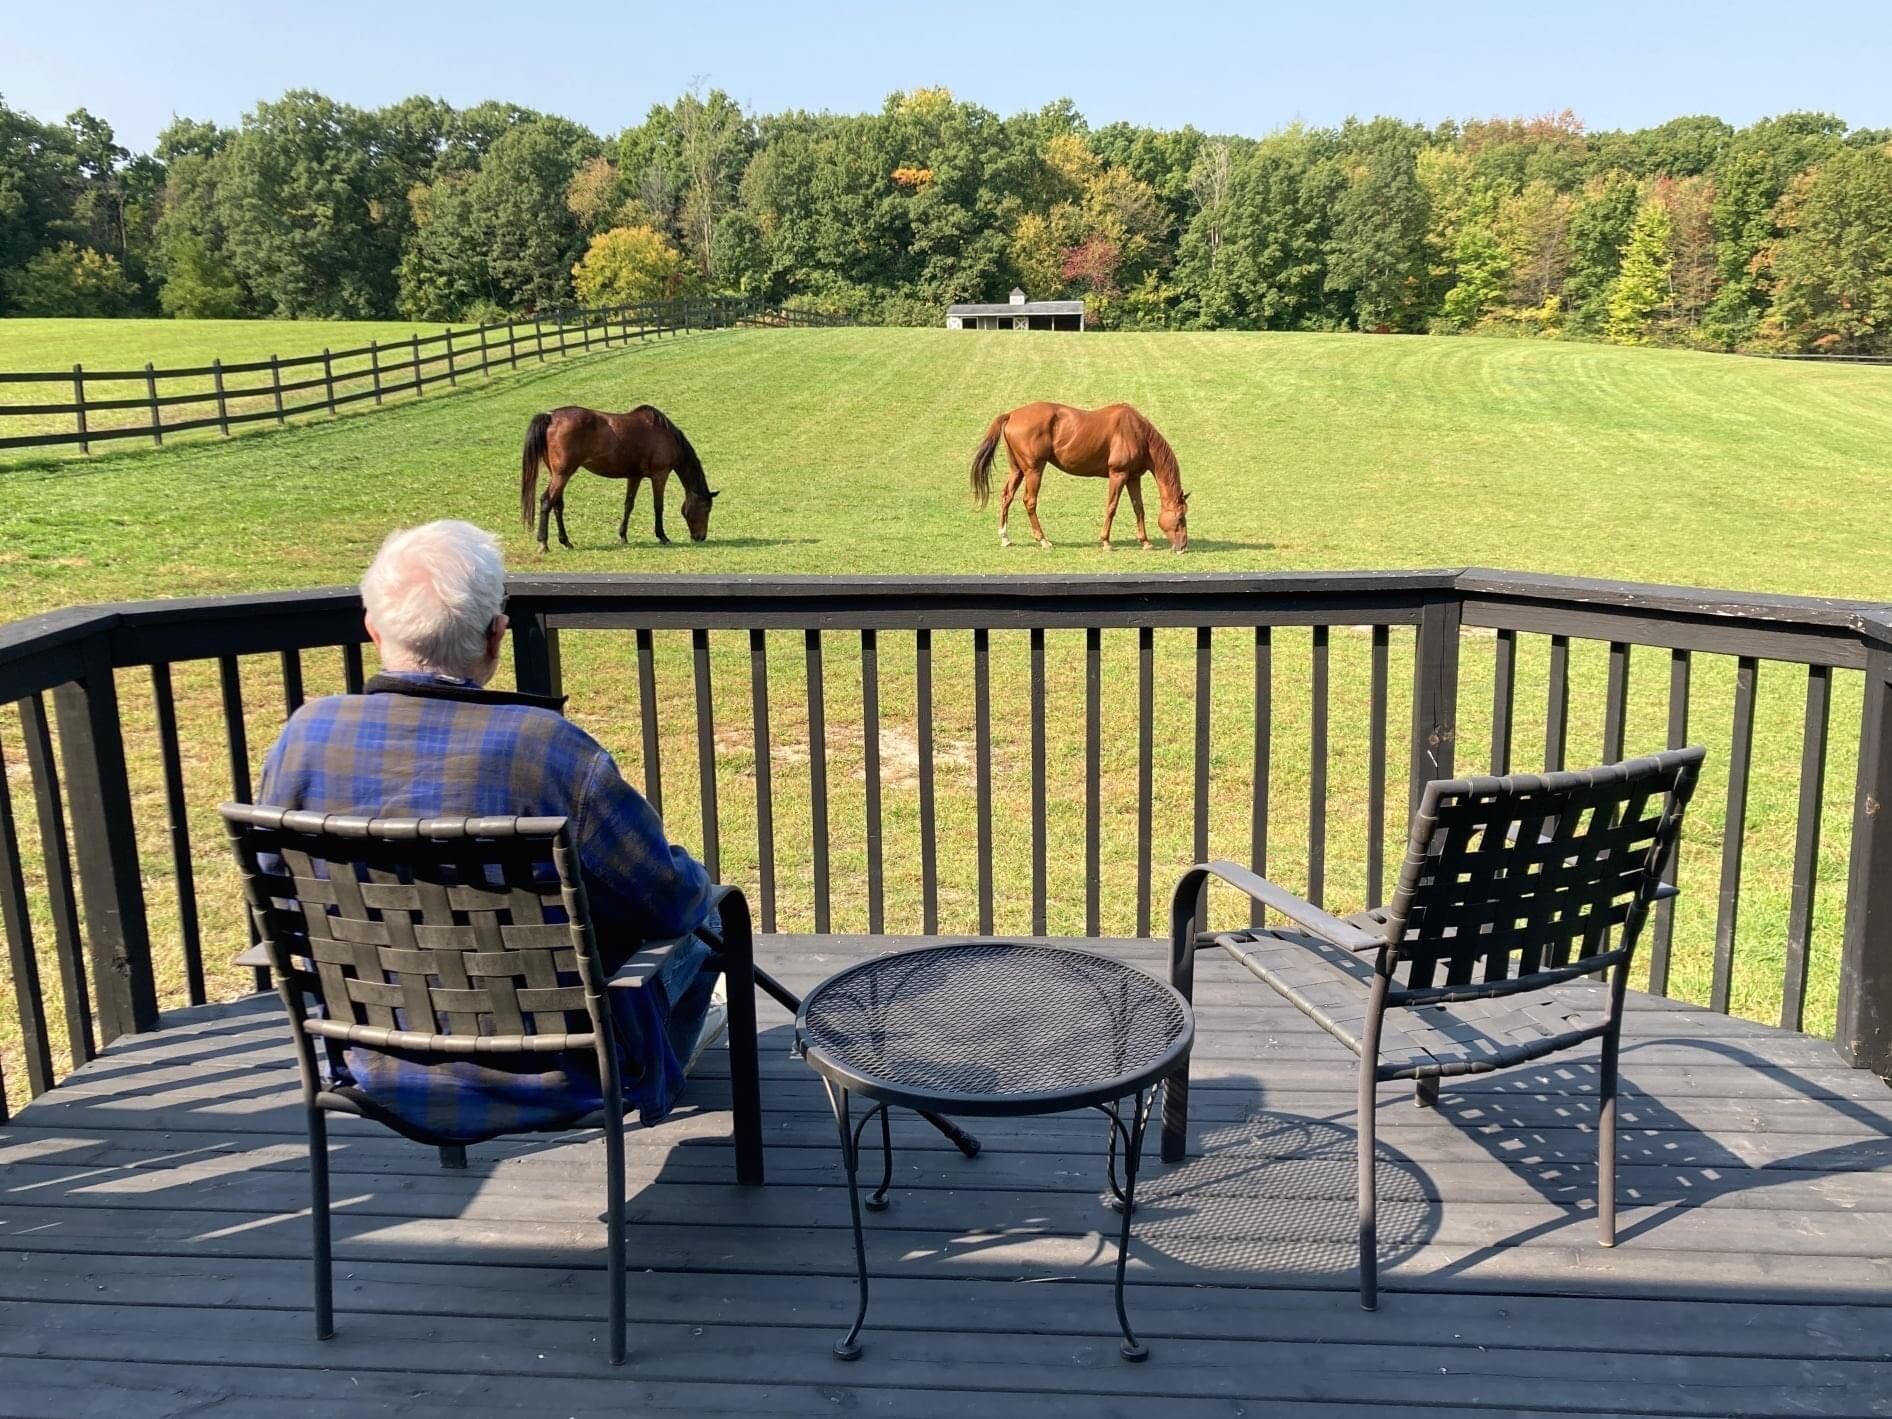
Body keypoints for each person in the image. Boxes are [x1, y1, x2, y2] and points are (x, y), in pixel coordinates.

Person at [258, 519, 723, 1143]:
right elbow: (669, 901)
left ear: (372, 629)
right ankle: (658, 1072)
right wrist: (695, 883)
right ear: (496, 635)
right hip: (562, 1071)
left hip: (377, 1061)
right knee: (710, 920)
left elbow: (278, 902)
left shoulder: (303, 739)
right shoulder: (546, 751)